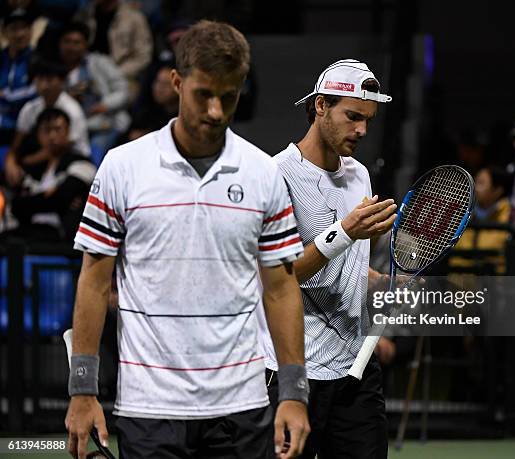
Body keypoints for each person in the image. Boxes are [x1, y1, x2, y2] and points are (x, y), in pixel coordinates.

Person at [64, 20, 310, 459]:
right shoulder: (123, 167)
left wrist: (294, 391)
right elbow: (94, 281)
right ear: (177, 82)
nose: (216, 110)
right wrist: (83, 390)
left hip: (242, 405)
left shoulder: (263, 174)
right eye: (204, 94)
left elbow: (281, 287)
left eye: (229, 96)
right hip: (149, 406)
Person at [258, 59, 396, 459]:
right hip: (293, 370)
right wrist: (345, 232)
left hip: (357, 370)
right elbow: (277, 276)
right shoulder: (275, 175)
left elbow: (345, 267)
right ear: (320, 106)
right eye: (353, 116)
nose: (362, 130)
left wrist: (379, 281)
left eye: (368, 119)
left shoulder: (360, 175)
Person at [5, 107, 95, 241]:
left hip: (64, 236)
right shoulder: (32, 168)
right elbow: (16, 205)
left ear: (68, 132)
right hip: (30, 230)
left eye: (58, 129)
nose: (52, 136)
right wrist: (49, 196)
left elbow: (60, 199)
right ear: (39, 135)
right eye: (47, 130)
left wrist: (45, 198)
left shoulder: (83, 163)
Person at [4, 58, 90, 187]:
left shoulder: (73, 110)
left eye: (49, 80)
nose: (44, 86)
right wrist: (10, 162)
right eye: (39, 80)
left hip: (70, 160)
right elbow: (16, 144)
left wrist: (26, 162)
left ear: (61, 81)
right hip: (40, 161)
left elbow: (61, 147)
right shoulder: (29, 108)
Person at [59, 21, 130, 158]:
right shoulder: (55, 71)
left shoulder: (99, 62)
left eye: (76, 42)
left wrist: (104, 105)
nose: (71, 47)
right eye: (67, 42)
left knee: (93, 156)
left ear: (86, 45)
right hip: (73, 129)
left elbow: (123, 90)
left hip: (105, 125)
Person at [75, 0, 153, 101]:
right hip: (87, 73)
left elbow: (143, 56)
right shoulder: (84, 15)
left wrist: (115, 73)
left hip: (123, 74)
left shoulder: (134, 18)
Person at [0, 8, 37, 145]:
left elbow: (37, 91)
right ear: (4, 32)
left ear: (31, 31)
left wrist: (7, 95)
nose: (20, 34)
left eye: (24, 28)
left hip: (25, 127)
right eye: (14, 29)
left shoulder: (38, 60)